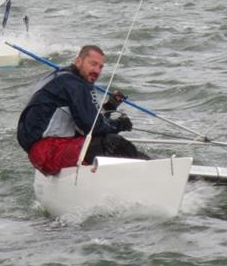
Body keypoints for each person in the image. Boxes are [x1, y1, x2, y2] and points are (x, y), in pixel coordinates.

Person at [16, 44, 147, 175]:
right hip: (48, 150)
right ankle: (149, 172)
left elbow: (87, 122)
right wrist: (119, 125)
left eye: (100, 67)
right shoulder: (75, 84)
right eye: (93, 64)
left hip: (46, 149)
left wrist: (110, 106)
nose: (97, 70)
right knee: (113, 143)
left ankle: (150, 166)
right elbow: (92, 128)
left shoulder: (63, 78)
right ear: (78, 61)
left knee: (108, 143)